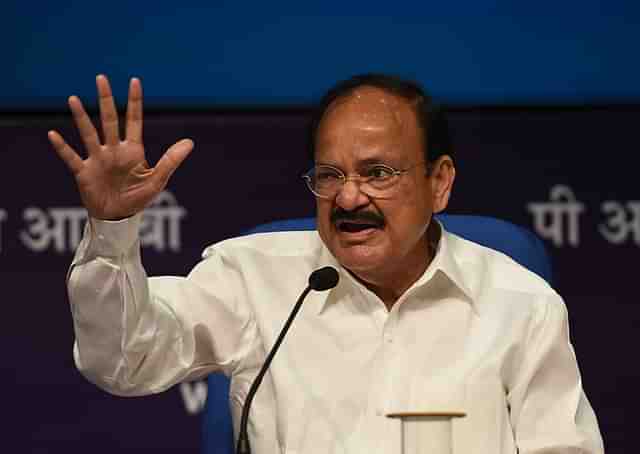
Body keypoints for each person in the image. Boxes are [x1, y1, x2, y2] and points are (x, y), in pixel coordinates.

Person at [49, 73, 604, 453]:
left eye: (378, 173)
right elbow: (122, 361)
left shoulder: (521, 306)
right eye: (330, 175)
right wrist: (112, 228)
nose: (348, 198)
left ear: (439, 182)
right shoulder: (254, 280)